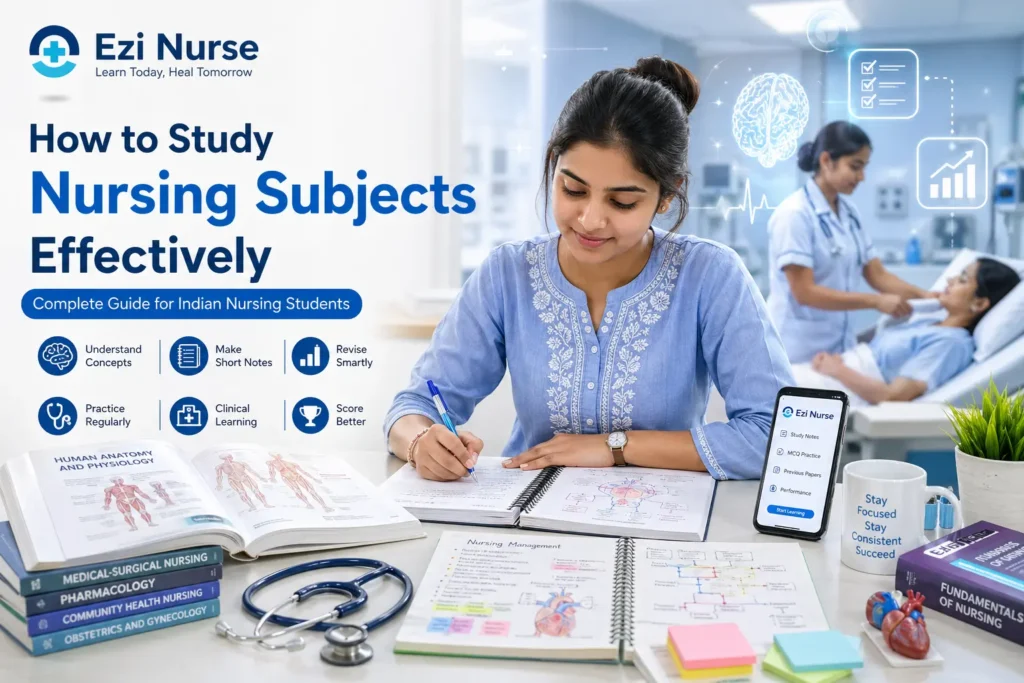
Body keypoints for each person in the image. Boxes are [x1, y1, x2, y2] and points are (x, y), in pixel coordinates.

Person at [384, 56, 793, 482]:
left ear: (668, 195)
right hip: (523, 512)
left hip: (659, 515)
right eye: (573, 190)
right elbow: (414, 406)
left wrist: (614, 447)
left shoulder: (711, 276)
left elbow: (776, 436)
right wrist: (420, 441)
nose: (590, 220)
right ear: (553, 166)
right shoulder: (507, 274)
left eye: (622, 202)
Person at [767, 121, 936, 364]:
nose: (861, 177)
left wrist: (926, 296)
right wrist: (875, 301)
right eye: (855, 167)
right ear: (826, 161)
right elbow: (804, 292)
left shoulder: (849, 212)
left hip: (838, 351)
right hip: (796, 351)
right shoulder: (795, 214)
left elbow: (877, 274)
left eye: (864, 167)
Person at [797, 258, 1019, 404]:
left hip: (843, 389)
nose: (950, 280)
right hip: (830, 375)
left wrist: (838, 370)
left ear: (979, 304)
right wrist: (838, 364)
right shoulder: (929, 322)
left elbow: (892, 397)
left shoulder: (953, 343)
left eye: (962, 280)